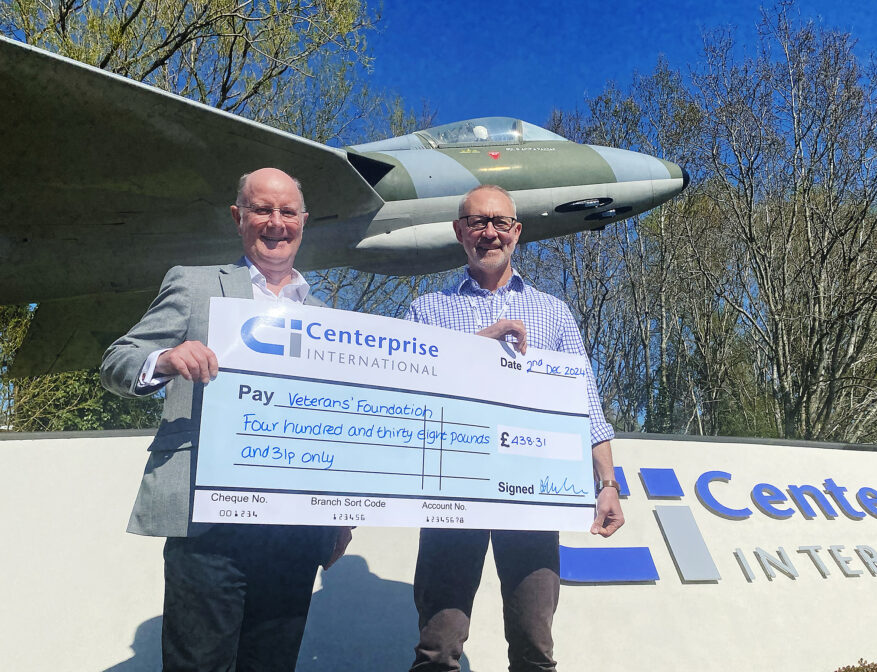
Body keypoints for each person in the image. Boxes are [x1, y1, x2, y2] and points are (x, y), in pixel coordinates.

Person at [100, 167, 351, 672]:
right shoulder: (194, 285)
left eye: (287, 212)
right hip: (209, 521)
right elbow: (117, 361)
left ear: (303, 222)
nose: (276, 222)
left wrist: (339, 514)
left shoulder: (329, 317)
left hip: (294, 528)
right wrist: (166, 359)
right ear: (238, 218)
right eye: (262, 209)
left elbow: (336, 421)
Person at [405, 184, 625, 672]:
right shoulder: (425, 310)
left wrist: (608, 483)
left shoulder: (553, 312)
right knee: (437, 646)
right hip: (452, 490)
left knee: (534, 645)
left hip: (533, 493)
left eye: (500, 222)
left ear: (517, 231)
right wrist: (478, 347)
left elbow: (586, 404)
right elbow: (411, 395)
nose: (490, 232)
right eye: (477, 222)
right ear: (459, 231)